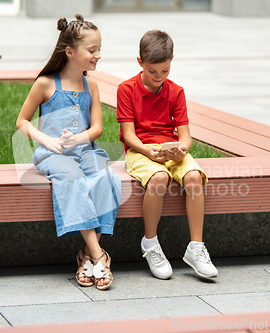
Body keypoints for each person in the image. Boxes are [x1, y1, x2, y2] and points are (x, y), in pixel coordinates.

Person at [16, 14, 121, 290]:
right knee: (72, 181)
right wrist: (47, 141)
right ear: (70, 51)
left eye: (99, 49)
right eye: (92, 50)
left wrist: (78, 139)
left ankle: (86, 255)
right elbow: (22, 122)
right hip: (54, 155)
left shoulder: (92, 85)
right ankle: (99, 256)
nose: (98, 55)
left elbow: (96, 128)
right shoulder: (45, 84)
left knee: (105, 178)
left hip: (85, 150)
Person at [116, 30, 218, 280]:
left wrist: (181, 149)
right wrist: (147, 151)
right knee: (159, 178)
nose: (158, 77)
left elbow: (185, 136)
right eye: (152, 71)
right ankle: (150, 243)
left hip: (170, 149)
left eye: (165, 71)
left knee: (194, 176)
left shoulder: (176, 91)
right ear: (140, 62)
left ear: (172, 60)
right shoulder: (126, 89)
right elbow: (128, 135)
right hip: (140, 149)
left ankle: (196, 248)